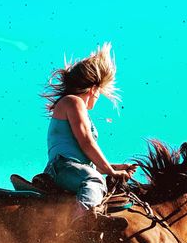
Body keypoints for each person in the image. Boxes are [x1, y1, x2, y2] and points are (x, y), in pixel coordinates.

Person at [41, 43, 137, 230]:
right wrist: (110, 171)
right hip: (62, 167)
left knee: (93, 176)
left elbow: (85, 158)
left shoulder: (72, 105)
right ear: (93, 88)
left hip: (71, 167)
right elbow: (86, 141)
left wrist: (116, 167)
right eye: (99, 92)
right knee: (94, 180)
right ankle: (80, 227)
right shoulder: (73, 102)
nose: (99, 97)